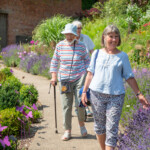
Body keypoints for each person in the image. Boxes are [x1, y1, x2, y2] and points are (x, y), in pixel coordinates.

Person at [81, 25, 150, 150]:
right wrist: (84, 91)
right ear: (104, 37)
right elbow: (90, 74)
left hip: (116, 96)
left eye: (116, 37)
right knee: (99, 127)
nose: (114, 39)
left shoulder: (122, 56)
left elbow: (129, 77)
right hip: (97, 95)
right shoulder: (96, 53)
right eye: (111, 36)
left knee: (112, 128)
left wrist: (139, 94)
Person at [50, 23, 90, 141]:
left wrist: (88, 74)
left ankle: (82, 125)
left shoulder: (82, 46)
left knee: (80, 103)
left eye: (71, 34)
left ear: (75, 35)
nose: (69, 37)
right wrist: (53, 76)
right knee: (66, 105)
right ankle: (67, 130)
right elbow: (54, 61)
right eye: (67, 34)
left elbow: (87, 61)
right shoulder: (60, 46)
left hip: (79, 77)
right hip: (64, 80)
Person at [72, 20, 95, 116]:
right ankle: (79, 107)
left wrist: (94, 63)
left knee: (86, 88)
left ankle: (86, 107)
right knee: (77, 89)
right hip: (74, 68)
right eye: (77, 28)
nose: (79, 30)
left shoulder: (86, 38)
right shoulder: (70, 39)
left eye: (80, 28)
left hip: (86, 67)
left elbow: (92, 52)